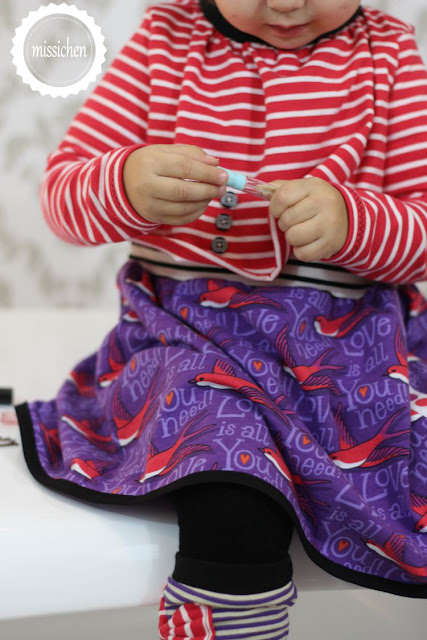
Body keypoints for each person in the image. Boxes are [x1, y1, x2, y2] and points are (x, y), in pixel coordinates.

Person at [15, 0, 427, 637]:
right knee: (225, 478)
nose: (286, 3)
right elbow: (62, 198)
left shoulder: (389, 55)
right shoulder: (164, 43)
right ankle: (231, 619)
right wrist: (124, 182)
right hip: (192, 342)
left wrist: (355, 221)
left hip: (350, 350)